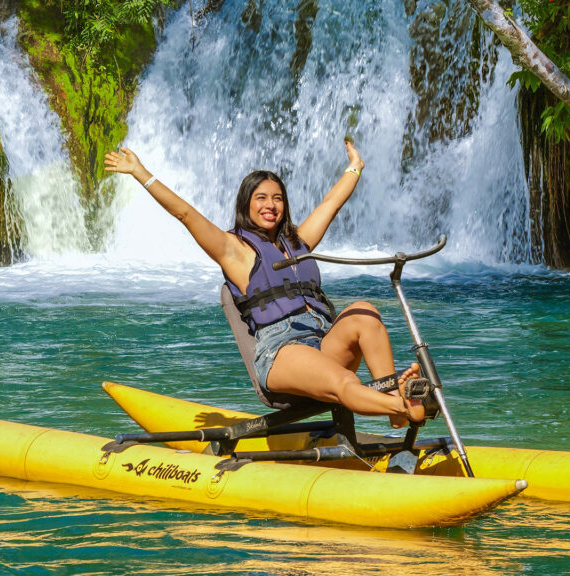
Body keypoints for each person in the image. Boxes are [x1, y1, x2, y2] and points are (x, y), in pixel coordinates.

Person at [104, 142, 426, 427]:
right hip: (281, 353)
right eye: (261, 198)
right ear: (246, 204)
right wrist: (140, 172)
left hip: (321, 340)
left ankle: (392, 398)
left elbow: (331, 204)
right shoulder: (235, 252)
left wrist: (355, 167)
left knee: (364, 312)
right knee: (344, 380)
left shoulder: (296, 242)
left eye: (277, 198)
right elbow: (186, 214)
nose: (270, 205)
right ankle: (400, 404)